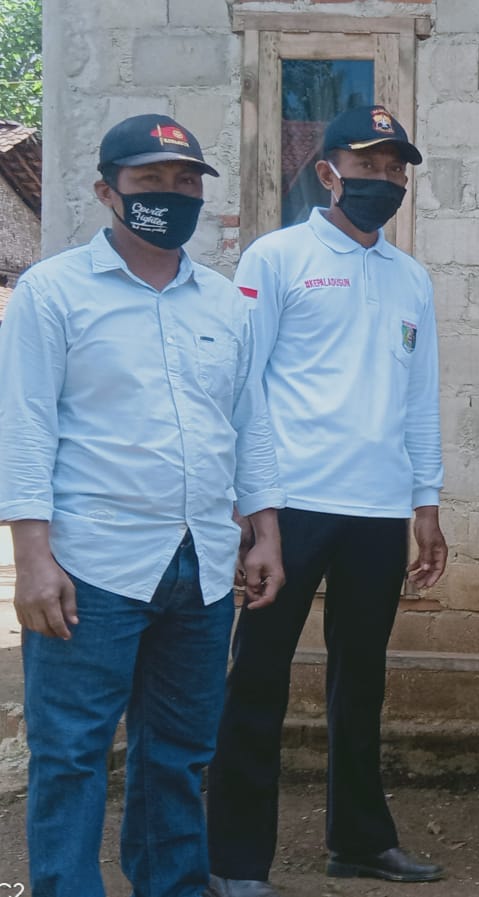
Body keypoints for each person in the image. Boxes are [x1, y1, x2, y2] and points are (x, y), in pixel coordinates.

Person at [0, 113, 285, 897]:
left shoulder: (226, 305)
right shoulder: (53, 294)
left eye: (186, 180)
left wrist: (265, 531)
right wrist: (31, 558)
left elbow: (249, 422)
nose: (172, 194)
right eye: (151, 180)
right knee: (71, 755)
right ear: (106, 191)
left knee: (179, 752)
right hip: (90, 563)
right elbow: (24, 426)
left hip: (201, 565)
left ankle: (173, 885)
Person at [205, 105, 447, 897]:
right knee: (258, 679)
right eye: (368, 165)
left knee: (362, 679)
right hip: (293, 504)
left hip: (378, 512)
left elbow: (419, 399)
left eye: (396, 169)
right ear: (327, 171)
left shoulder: (411, 278)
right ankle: (237, 859)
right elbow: (245, 390)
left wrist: (426, 502)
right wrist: (256, 511)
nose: (384, 182)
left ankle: (359, 840)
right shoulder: (277, 259)